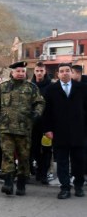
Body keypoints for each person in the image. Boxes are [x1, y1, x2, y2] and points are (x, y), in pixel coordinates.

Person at [0, 61, 45, 196]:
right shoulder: (3, 87)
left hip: (24, 128)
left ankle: (21, 183)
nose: (20, 73)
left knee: (24, 157)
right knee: (7, 156)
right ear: (12, 73)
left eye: (22, 71)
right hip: (6, 128)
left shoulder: (31, 88)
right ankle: (8, 183)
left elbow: (40, 102)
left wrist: (37, 113)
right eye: (18, 71)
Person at [43, 63, 87, 199]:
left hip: (79, 131)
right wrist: (47, 129)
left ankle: (79, 186)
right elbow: (47, 112)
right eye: (62, 71)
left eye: (67, 71)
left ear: (71, 72)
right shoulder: (52, 89)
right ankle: (65, 188)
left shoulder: (82, 88)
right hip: (59, 131)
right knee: (61, 161)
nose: (65, 73)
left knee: (79, 160)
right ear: (58, 74)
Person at [30, 62, 52, 184]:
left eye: (41, 71)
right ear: (34, 71)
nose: (39, 73)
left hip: (46, 123)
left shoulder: (51, 86)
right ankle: (38, 169)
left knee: (47, 150)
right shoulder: (29, 85)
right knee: (34, 148)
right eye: (37, 71)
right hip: (33, 124)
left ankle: (43, 173)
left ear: (45, 71)